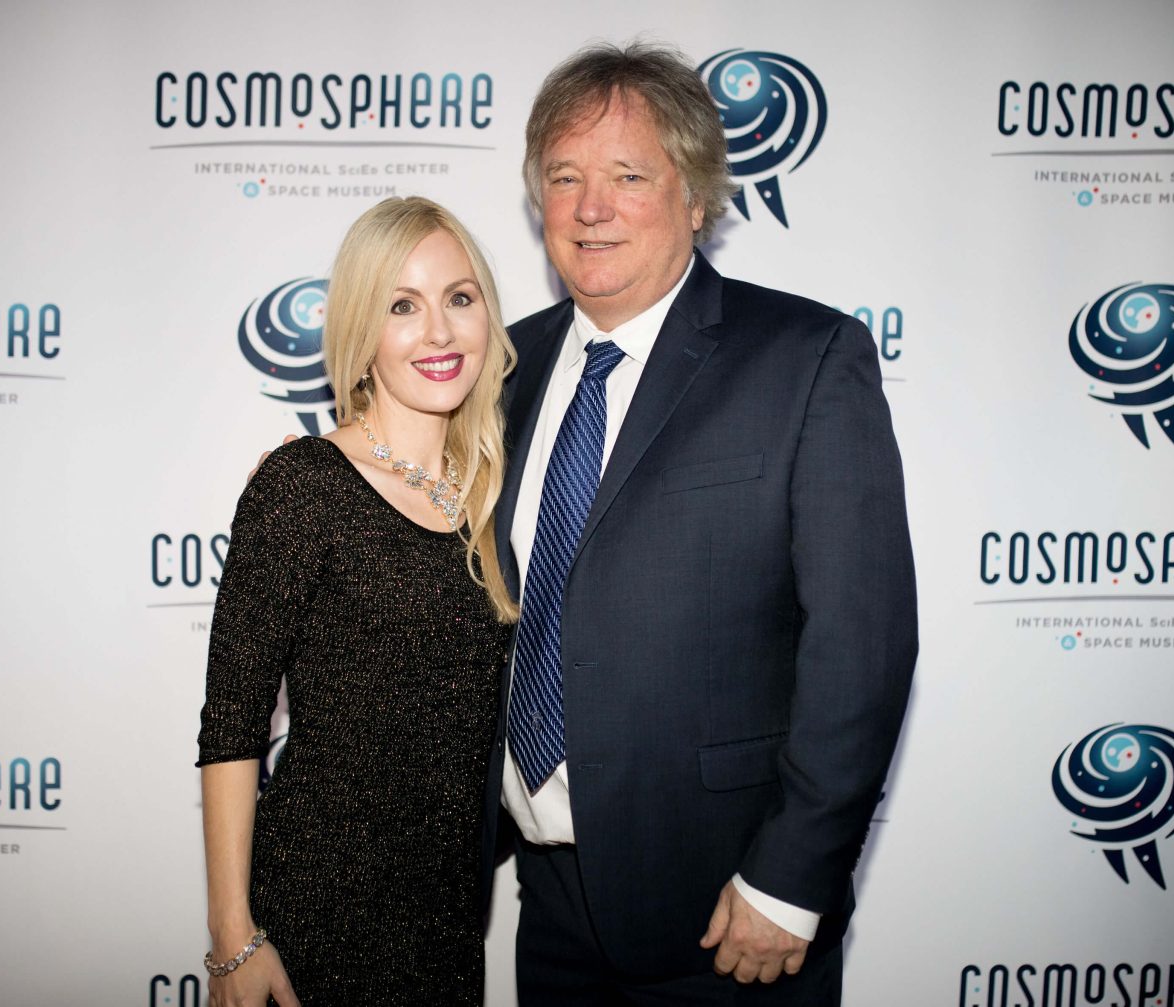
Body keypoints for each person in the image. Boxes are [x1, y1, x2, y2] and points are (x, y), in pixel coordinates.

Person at [485, 42, 918, 1005]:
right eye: (565, 177)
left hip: (731, 916)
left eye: (628, 176)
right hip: (549, 913)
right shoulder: (502, 369)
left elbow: (864, 642)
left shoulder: (806, 359)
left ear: (695, 198)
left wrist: (791, 879)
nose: (590, 208)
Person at [197, 196, 518, 1007]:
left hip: (446, 924)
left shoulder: (492, 498)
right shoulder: (303, 485)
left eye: (459, 297)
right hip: (317, 912)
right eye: (401, 306)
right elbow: (232, 720)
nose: (439, 331)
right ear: (359, 331)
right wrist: (232, 934)